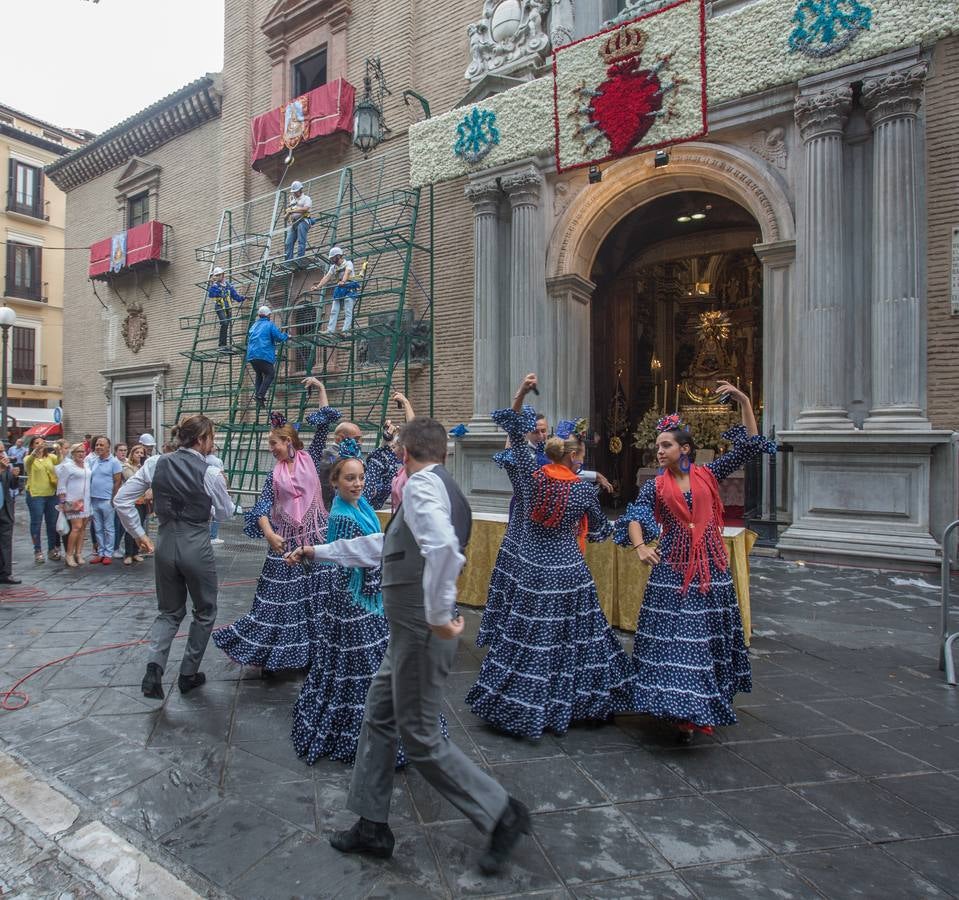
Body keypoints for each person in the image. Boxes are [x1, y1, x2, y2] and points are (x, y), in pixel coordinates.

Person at [288, 417, 530, 876]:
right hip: (406, 633)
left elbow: (442, 549)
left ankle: (502, 812)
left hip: (419, 630)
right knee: (378, 718)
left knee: (419, 737)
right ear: (444, 452)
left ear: (403, 452)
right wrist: (318, 552)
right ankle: (372, 825)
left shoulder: (420, 488)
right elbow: (388, 545)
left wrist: (439, 616)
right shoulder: (438, 486)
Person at [465, 374, 635, 739]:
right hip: (571, 571)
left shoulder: (532, 478)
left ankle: (523, 702)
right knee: (575, 637)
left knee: (532, 638)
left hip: (534, 571)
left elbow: (511, 433)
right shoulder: (584, 492)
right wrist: (641, 533)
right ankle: (575, 701)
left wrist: (520, 394)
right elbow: (605, 532)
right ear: (576, 457)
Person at [614, 383, 776, 744]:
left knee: (701, 639)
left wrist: (746, 401)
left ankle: (696, 708)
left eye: (666, 445)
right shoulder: (655, 486)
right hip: (672, 570)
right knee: (679, 640)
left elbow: (750, 447)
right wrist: (640, 546)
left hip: (709, 571)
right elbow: (636, 515)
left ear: (685, 449)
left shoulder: (708, 474)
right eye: (657, 446)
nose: (659, 451)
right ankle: (680, 709)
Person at [287, 432, 410, 765]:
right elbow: (347, 555)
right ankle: (361, 731)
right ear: (335, 482)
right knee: (362, 666)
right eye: (350, 479)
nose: (357, 484)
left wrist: (388, 448)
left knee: (374, 663)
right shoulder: (342, 516)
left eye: (360, 477)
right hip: (353, 600)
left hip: (368, 594)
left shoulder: (360, 503)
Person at [213, 378, 339, 673]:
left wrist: (321, 389)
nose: (271, 448)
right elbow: (261, 507)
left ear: (289, 442)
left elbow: (324, 424)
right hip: (284, 544)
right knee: (280, 602)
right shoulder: (273, 476)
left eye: (273, 443)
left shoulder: (310, 457)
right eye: (269, 444)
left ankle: (314, 654)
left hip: (315, 538)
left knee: (315, 598)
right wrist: (268, 532)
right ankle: (281, 653)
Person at [114, 415, 234, 700]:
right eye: (212, 438)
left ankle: (153, 671)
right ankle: (188, 673)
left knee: (168, 611)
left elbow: (121, 500)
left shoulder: (156, 463)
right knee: (205, 610)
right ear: (202, 439)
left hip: (165, 541)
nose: (213, 443)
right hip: (196, 541)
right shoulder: (211, 472)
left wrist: (139, 534)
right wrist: (217, 497)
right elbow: (226, 512)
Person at [23, 436, 60, 564]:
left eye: (42, 443)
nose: (40, 445)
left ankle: (52, 549)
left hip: (51, 494)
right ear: (32, 445)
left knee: (52, 523)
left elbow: (61, 462)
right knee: (36, 523)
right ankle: (37, 550)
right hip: (35, 494)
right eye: (37, 443)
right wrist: (35, 452)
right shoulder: (29, 458)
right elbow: (28, 463)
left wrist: (59, 450)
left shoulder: (50, 457)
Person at [86, 437, 122, 566]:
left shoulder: (114, 462)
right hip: (94, 499)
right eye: (97, 445)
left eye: (101, 445)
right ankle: (100, 552)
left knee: (109, 528)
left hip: (107, 500)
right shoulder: (93, 461)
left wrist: (114, 498)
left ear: (108, 447)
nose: (98, 447)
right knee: (98, 528)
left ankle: (108, 553)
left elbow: (117, 480)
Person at [56, 444, 92, 568]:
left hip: (86, 500)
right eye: (78, 452)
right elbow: (61, 485)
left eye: (83, 451)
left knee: (83, 528)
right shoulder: (67, 467)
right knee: (76, 527)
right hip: (73, 501)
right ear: (73, 453)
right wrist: (63, 502)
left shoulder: (87, 465)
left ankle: (79, 553)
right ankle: (69, 554)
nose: (81, 454)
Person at [247, 306, 290, 408]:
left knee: (259, 373)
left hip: (252, 356)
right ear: (268, 315)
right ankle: (260, 395)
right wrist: (286, 336)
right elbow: (279, 338)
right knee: (270, 374)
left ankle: (258, 395)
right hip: (263, 354)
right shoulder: (269, 325)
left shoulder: (253, 326)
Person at [311, 247, 361, 334]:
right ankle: (330, 331)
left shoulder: (348, 263)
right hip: (340, 289)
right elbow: (326, 277)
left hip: (349, 288)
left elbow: (347, 272)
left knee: (348, 310)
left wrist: (343, 281)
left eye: (333, 258)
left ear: (338, 256)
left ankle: (345, 331)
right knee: (334, 310)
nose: (332, 260)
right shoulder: (333, 267)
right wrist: (318, 286)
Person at [120, 443, 148, 565]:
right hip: (132, 502)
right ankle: (128, 553)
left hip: (143, 501)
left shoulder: (144, 467)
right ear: (132, 454)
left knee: (140, 526)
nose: (139, 455)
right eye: (137, 453)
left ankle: (136, 552)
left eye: (142, 453)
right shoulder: (127, 466)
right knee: (131, 526)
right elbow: (133, 480)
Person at [208, 266, 246, 352]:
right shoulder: (215, 286)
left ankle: (225, 346)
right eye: (216, 275)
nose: (218, 277)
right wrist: (212, 285)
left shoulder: (228, 285)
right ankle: (221, 345)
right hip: (220, 306)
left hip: (228, 307)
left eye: (219, 275)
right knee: (224, 323)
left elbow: (235, 296)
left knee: (227, 325)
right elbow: (211, 294)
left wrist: (243, 298)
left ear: (223, 275)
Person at [0, 443, 21, 584]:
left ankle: (5, 573)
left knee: (6, 541)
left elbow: (12, 486)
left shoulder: (6, 464)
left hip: (5, 507)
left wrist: (15, 476)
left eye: (3, 451)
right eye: (0, 451)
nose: (2, 454)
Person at [283, 180, 314, 261]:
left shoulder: (306, 198)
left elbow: (305, 209)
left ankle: (300, 259)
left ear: (300, 190)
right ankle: (288, 261)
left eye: (295, 191)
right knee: (288, 243)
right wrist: (287, 214)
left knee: (301, 241)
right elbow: (286, 216)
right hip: (294, 223)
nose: (294, 193)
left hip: (303, 221)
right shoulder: (293, 202)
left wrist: (292, 210)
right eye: (293, 192)